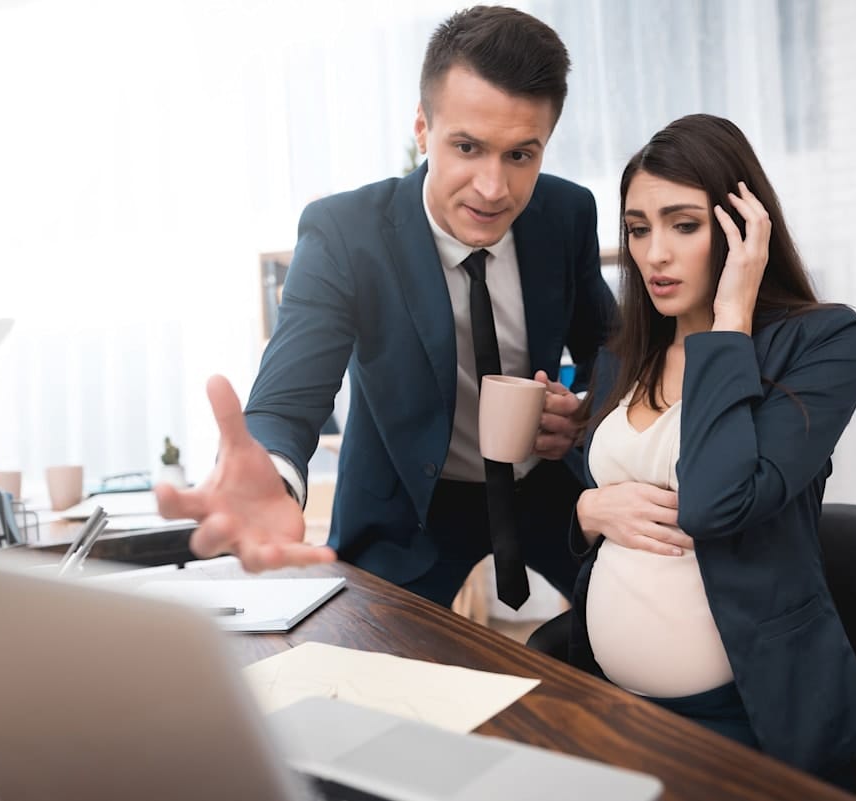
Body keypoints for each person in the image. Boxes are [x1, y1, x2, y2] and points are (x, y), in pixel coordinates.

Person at [155, 6, 616, 610]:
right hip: (406, 506)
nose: (492, 188)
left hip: (544, 490)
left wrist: (583, 414)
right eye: (468, 146)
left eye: (520, 155)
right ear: (423, 129)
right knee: (377, 669)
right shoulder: (346, 234)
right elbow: (289, 399)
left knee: (626, 633)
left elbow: (611, 349)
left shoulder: (566, 214)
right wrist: (272, 472)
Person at [565, 114, 856, 792]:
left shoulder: (827, 342)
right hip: (613, 703)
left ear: (743, 228)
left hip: (752, 719)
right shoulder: (623, 354)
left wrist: (731, 318)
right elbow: (591, 491)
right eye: (638, 228)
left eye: (684, 224)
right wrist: (588, 508)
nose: (654, 254)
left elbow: (716, 501)